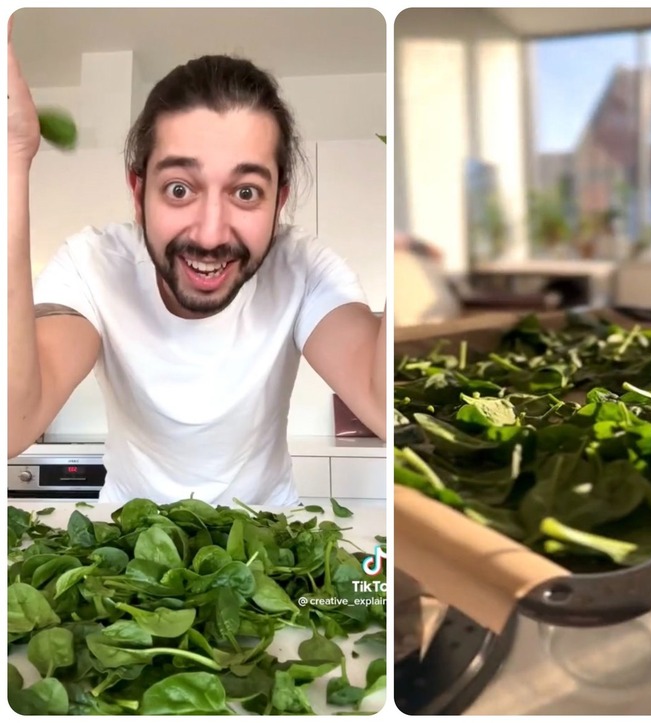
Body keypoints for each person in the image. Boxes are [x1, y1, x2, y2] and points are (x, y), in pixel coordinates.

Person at [7, 21, 386, 506]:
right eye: (180, 189)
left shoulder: (305, 270)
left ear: (279, 200)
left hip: (266, 551)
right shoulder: (93, 265)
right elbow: (13, 423)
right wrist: (13, 159)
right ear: (139, 191)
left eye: (246, 192)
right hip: (130, 554)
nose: (210, 234)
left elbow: (383, 406)